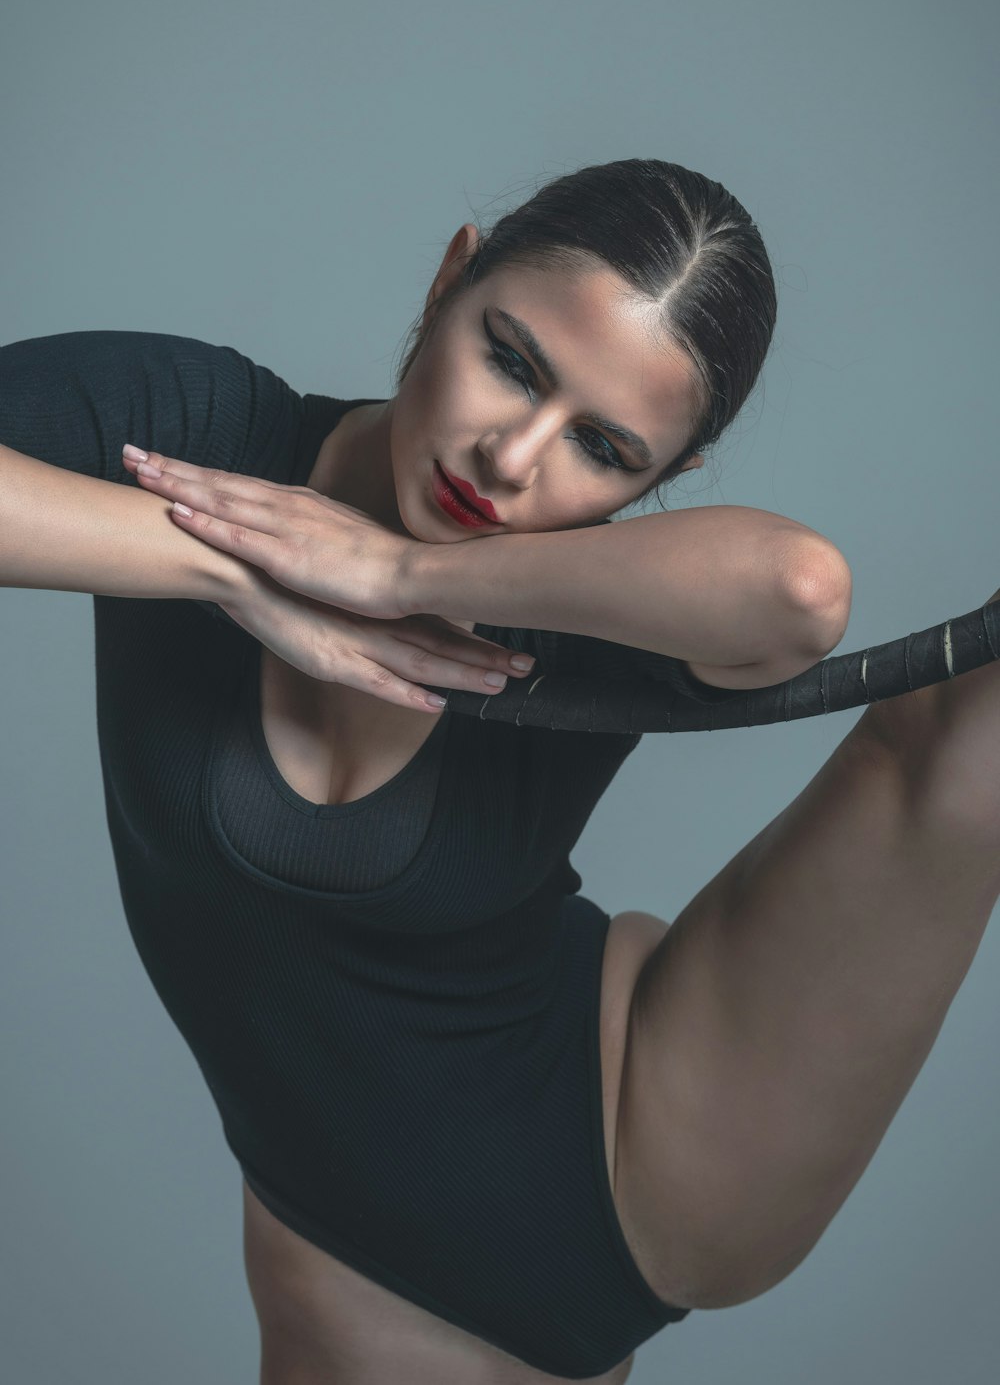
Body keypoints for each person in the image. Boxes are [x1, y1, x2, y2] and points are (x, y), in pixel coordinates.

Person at [1, 158, 996, 1385]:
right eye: (513, 360)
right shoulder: (206, 435)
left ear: (661, 486)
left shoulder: (591, 607)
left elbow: (798, 596)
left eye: (603, 446)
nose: (512, 456)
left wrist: (399, 579)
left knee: (967, 735)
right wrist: (229, 568)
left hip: (647, 1134)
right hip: (356, 1279)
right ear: (448, 275)